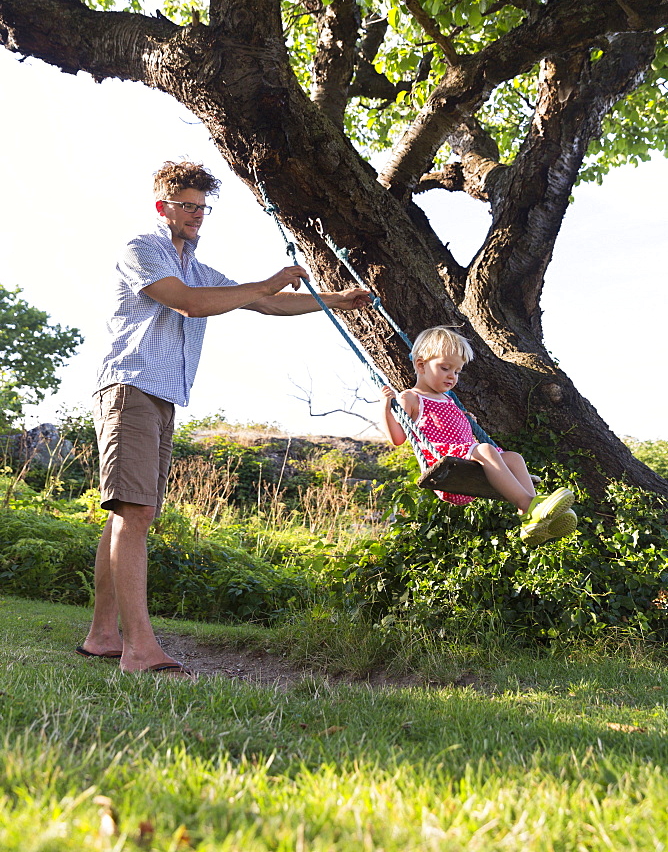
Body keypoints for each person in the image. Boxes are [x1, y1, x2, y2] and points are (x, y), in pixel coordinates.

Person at [77, 160, 370, 675]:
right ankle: (139, 648)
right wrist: (265, 282)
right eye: (186, 204)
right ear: (162, 205)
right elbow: (188, 304)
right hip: (130, 386)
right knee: (137, 513)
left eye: (202, 206)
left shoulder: (198, 266)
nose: (196, 214)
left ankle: (102, 635)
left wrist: (336, 302)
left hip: (162, 394)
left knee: (130, 511)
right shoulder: (143, 248)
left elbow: (266, 305)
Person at [380, 326, 577, 547]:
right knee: (485, 449)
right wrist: (386, 408)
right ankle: (527, 504)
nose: (452, 376)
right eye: (445, 368)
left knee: (514, 458)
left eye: (457, 371)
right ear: (421, 365)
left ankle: (530, 515)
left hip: (467, 462)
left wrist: (465, 419)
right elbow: (397, 438)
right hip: (446, 467)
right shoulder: (411, 397)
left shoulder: (449, 399)